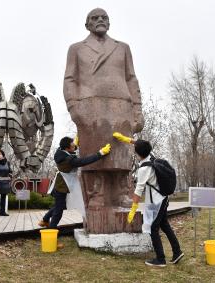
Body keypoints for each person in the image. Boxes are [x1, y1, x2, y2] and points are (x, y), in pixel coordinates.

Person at [63, 8, 145, 233]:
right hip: (91, 108)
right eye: (94, 18)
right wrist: (74, 108)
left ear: (109, 23)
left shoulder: (122, 48)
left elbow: (131, 78)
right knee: (95, 152)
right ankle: (97, 193)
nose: (100, 21)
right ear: (87, 24)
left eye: (104, 18)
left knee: (120, 152)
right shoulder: (77, 49)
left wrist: (137, 110)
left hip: (121, 106)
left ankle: (121, 192)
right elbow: (70, 79)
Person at [113, 132, 184, 267]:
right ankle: (177, 251)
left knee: (153, 228)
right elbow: (141, 144)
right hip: (163, 198)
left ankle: (160, 259)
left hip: (158, 201)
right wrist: (126, 139)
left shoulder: (143, 169)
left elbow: (138, 191)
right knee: (164, 225)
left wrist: (133, 209)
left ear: (138, 154)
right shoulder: (151, 156)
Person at [38, 136, 111, 235]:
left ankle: (45, 220)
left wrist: (74, 142)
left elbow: (72, 150)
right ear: (67, 148)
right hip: (62, 187)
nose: (74, 146)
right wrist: (101, 153)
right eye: (72, 145)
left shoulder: (60, 151)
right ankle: (51, 233)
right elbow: (84, 161)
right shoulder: (69, 160)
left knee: (60, 205)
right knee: (58, 212)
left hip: (61, 184)